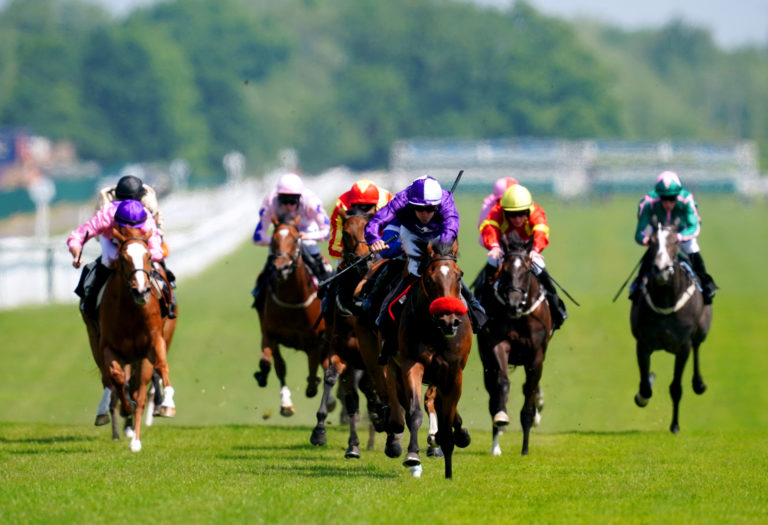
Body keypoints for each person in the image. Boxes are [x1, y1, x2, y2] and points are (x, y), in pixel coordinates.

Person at [364, 175, 487, 360]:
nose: (425, 214)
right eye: (420, 209)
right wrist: (374, 240)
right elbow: (377, 221)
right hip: (410, 232)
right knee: (414, 270)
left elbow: (452, 227)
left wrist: (439, 251)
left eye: (430, 209)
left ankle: (475, 309)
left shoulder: (445, 201)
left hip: (439, 235)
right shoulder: (402, 199)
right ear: (412, 203)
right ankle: (385, 320)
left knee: (445, 272)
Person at [68, 178, 169, 321]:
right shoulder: (106, 215)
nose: (129, 229)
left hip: (139, 242)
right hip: (112, 239)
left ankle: (167, 300)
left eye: (134, 226)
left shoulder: (146, 217)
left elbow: (155, 248)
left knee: (154, 264)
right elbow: (80, 234)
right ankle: (90, 301)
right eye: (125, 226)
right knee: (108, 261)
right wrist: (76, 251)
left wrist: (148, 258)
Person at [479, 183, 568, 330]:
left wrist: (536, 249)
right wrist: (493, 246)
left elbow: (541, 231)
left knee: (540, 267)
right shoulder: (497, 211)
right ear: (504, 211)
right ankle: (480, 306)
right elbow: (489, 227)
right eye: (512, 215)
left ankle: (556, 308)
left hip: (528, 249)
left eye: (521, 214)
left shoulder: (536, 212)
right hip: (505, 248)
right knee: (491, 262)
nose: (517, 219)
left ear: (528, 210)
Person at [630, 170, 717, 304]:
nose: (668, 203)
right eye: (664, 199)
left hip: (681, 232)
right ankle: (638, 284)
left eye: (672, 199)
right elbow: (639, 232)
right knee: (654, 253)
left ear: (678, 196)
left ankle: (706, 284)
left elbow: (694, 227)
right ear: (658, 196)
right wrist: (647, 240)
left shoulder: (687, 199)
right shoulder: (648, 202)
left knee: (691, 247)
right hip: (659, 232)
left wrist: (680, 237)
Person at [251, 172, 332, 309]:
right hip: (282, 234)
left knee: (313, 251)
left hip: (305, 231)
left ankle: (329, 289)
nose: (288, 205)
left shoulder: (311, 202)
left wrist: (309, 237)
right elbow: (258, 237)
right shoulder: (269, 202)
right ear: (278, 197)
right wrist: (280, 240)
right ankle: (259, 294)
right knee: (272, 262)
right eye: (284, 200)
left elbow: (326, 232)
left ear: (300, 198)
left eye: (292, 201)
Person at [327, 179, 394, 260]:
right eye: (357, 206)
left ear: (376, 204)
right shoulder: (341, 206)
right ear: (350, 203)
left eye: (368, 207)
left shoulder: (389, 201)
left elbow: (394, 231)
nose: (362, 212)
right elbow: (336, 243)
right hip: (353, 249)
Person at [477, 176, 518, 244]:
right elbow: (483, 229)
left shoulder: (526, 203)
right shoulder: (488, 205)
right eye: (502, 200)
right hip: (497, 241)